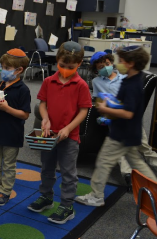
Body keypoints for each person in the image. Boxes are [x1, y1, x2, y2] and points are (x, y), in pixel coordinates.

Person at [75, 46, 157, 207]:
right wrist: (106, 112)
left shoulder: (131, 84)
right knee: (136, 162)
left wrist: (107, 109)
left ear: (131, 63)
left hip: (123, 130)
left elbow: (128, 113)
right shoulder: (130, 79)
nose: (119, 63)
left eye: (123, 61)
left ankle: (97, 196)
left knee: (105, 162)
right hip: (122, 128)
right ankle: (155, 190)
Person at [27, 41, 92, 225]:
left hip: (69, 137)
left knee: (68, 172)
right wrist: (45, 119)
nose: (65, 69)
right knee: (46, 167)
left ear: (78, 65)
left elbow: (83, 111)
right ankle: (46, 197)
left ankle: (66, 206)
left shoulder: (81, 85)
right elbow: (43, 104)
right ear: (57, 61)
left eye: (70, 67)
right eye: (62, 65)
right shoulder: (49, 81)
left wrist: (69, 128)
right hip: (48, 135)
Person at [0, 49, 31, 206]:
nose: (3, 71)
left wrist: (6, 108)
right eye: (2, 67)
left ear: (19, 70)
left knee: (8, 165)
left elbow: (25, 115)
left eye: (7, 68)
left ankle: (5, 192)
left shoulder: (23, 90)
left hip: (12, 133)